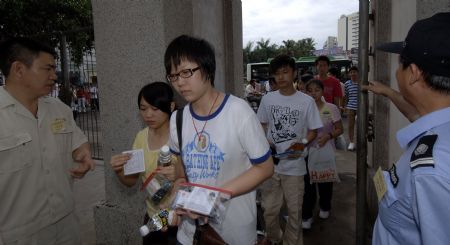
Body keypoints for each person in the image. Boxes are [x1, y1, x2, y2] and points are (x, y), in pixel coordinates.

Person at [164, 35, 274, 245]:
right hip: (190, 235)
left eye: (186, 72)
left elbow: (265, 168)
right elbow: (180, 175)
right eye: (173, 75)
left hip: (234, 234)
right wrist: (176, 199)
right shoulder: (177, 119)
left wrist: (215, 195)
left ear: (207, 68)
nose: (180, 82)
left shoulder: (239, 112)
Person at [0, 37, 95, 244]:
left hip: (66, 223)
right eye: (48, 69)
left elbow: (78, 142)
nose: (54, 76)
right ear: (18, 69)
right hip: (16, 234)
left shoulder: (59, 109)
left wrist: (84, 154)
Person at [366, 13, 450, 245]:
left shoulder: (433, 167)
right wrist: (389, 92)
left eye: (400, 62)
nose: (397, 71)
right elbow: (417, 115)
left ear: (413, 73)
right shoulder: (439, 126)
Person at [257, 54, 322, 245]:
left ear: (294, 73)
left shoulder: (306, 101)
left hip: (295, 167)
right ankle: (275, 239)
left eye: (285, 72)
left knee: (295, 212)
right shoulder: (268, 99)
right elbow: (261, 125)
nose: (281, 77)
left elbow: (313, 130)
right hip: (271, 165)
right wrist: (266, 144)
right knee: (269, 211)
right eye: (277, 74)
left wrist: (301, 144)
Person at [109, 82, 178, 245]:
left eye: (155, 109)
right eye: (143, 108)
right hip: (153, 217)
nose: (148, 115)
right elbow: (130, 181)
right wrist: (119, 171)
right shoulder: (141, 137)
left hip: (180, 219)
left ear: (171, 106)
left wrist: (179, 173)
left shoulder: (181, 136)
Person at [301, 79, 343, 229]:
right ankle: (307, 216)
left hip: (326, 153)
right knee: (308, 186)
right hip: (307, 153)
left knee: (325, 183)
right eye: (309, 90)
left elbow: (339, 129)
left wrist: (328, 136)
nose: (313, 93)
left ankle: (325, 207)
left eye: (316, 90)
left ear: (322, 91)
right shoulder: (303, 110)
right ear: (306, 92)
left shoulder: (331, 108)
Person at [344, 66, 359, 150]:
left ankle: (360, 142)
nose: (353, 73)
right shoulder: (347, 84)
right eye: (351, 72)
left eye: (355, 72)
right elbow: (346, 96)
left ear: (358, 73)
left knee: (360, 126)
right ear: (349, 74)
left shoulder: (361, 82)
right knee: (350, 126)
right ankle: (351, 142)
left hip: (360, 108)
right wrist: (345, 106)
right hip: (350, 107)